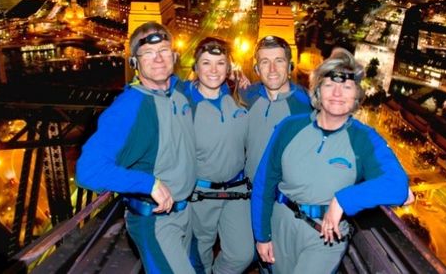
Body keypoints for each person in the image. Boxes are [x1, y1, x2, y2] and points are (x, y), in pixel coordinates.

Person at [251, 48, 409, 274]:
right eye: (329, 85)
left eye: (347, 87)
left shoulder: (364, 139)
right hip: (281, 225)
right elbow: (264, 183)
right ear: (317, 90)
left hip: (326, 236)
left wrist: (343, 200)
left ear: (356, 96)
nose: (337, 93)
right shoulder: (290, 127)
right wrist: (261, 234)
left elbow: (398, 186)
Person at [75, 21, 196, 274]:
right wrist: (148, 183)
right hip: (155, 223)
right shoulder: (128, 107)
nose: (158, 58)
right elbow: (88, 170)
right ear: (134, 63)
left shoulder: (179, 93)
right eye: (148, 54)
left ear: (174, 56)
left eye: (163, 50)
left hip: (186, 215)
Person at [184, 37, 254, 274]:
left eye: (220, 63)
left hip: (237, 190)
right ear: (195, 68)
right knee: (199, 258)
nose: (213, 70)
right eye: (206, 63)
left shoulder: (238, 98)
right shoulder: (183, 104)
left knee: (242, 254)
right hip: (201, 195)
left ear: (228, 68)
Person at [241, 35, 311, 181]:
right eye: (265, 62)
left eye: (279, 61)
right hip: (246, 197)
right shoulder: (246, 98)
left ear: (290, 67)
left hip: (283, 200)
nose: (272, 69)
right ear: (257, 69)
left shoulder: (308, 106)